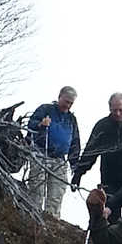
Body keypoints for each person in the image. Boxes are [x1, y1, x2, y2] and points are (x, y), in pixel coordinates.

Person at [71, 93, 122, 220]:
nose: (118, 113)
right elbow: (90, 152)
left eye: (121, 110)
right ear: (109, 109)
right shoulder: (103, 126)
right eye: (115, 110)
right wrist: (78, 173)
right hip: (109, 181)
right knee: (110, 218)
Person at [25, 86, 81, 218]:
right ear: (59, 97)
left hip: (60, 159)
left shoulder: (71, 119)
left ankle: (52, 223)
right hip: (41, 153)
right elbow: (31, 124)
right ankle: (33, 218)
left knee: (56, 195)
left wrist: (75, 165)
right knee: (36, 190)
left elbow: (75, 142)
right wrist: (41, 124)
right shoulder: (46, 109)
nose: (68, 105)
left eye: (71, 103)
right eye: (66, 101)